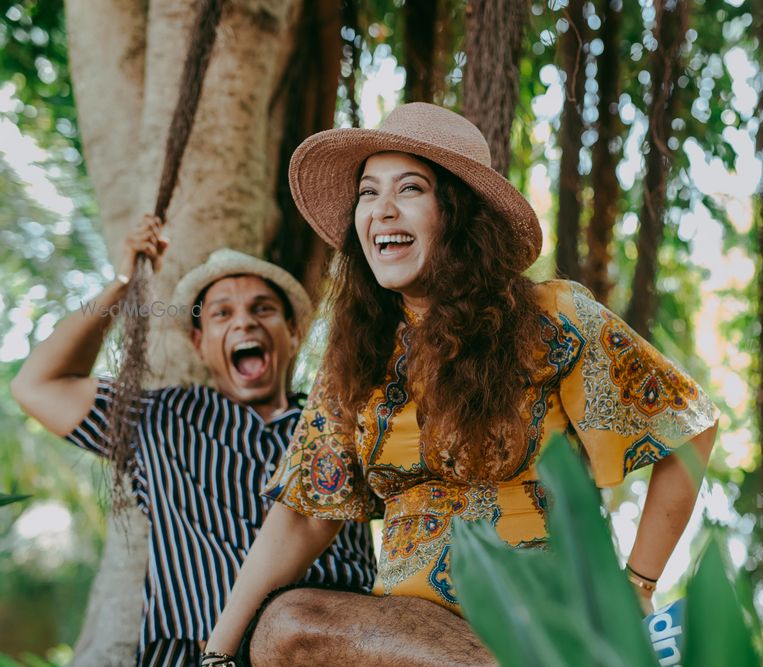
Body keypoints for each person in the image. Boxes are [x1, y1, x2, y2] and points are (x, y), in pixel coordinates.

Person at [204, 103, 719, 666]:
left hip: (540, 609)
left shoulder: (551, 317)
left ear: (458, 212)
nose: (383, 210)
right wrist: (216, 655)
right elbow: (304, 512)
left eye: (410, 189)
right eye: (368, 193)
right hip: (405, 641)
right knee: (284, 626)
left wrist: (637, 589)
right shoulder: (357, 357)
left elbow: (688, 427)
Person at [11, 221, 376, 667]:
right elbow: (37, 385)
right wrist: (123, 284)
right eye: (222, 313)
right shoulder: (158, 417)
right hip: (191, 656)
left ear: (293, 333)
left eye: (262, 309)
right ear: (199, 344)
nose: (244, 320)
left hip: (333, 648)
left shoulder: (345, 421)